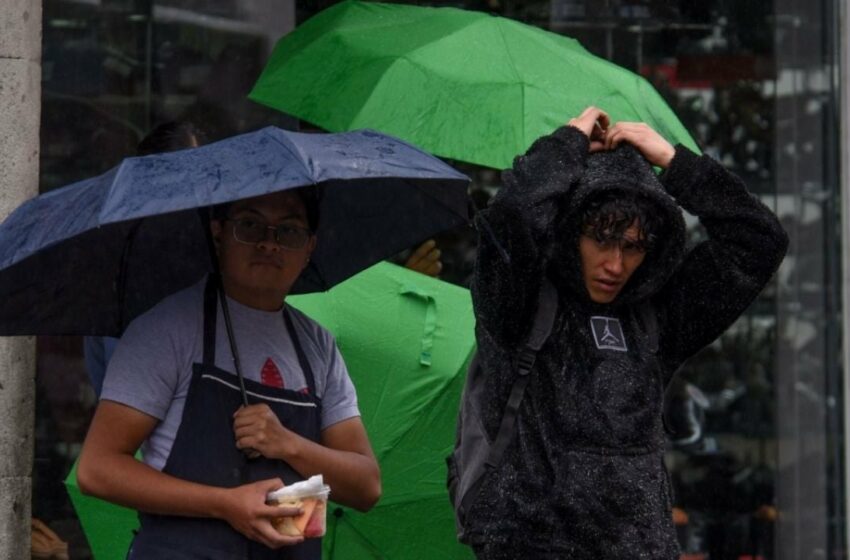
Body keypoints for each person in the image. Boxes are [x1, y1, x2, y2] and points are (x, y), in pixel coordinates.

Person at [464, 106, 787, 558]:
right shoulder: (519, 303)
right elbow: (510, 221)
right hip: (531, 542)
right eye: (601, 239)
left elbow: (760, 241)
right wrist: (565, 147)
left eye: (633, 247)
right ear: (572, 230)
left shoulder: (657, 315)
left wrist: (677, 164)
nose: (616, 265)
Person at [77, 186, 381, 559]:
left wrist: (290, 444)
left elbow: (366, 486)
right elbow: (97, 469)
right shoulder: (166, 329)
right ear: (218, 233)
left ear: (310, 248)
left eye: (288, 230)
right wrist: (225, 504)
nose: (269, 244)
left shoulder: (317, 345)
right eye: (250, 225)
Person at [83, 120, 207, 397]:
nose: (191, 199)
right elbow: (109, 386)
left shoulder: (216, 268)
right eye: (178, 183)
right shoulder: (119, 278)